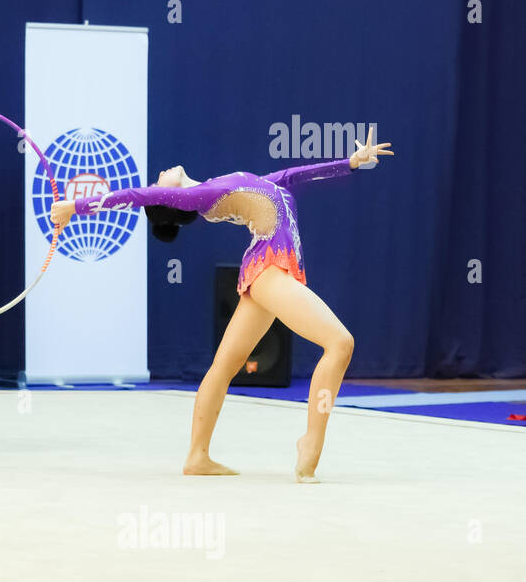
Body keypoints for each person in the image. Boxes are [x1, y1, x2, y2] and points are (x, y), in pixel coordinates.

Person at [51, 128, 394, 481]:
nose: (159, 174)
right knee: (340, 343)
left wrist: (350, 163)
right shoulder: (198, 196)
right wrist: (73, 207)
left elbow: (291, 176)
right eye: (157, 181)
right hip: (270, 270)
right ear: (170, 199)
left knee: (223, 367)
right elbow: (137, 196)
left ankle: (197, 456)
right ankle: (311, 439)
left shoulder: (219, 186)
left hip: (265, 271)